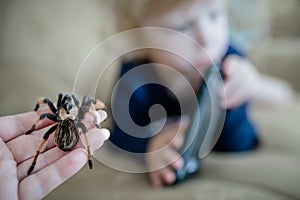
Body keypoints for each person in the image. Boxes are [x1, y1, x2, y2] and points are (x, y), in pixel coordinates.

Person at [109, 0, 293, 188]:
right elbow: (119, 136)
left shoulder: (230, 60)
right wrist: (149, 147)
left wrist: (252, 87)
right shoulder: (132, 80)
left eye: (214, 15)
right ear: (138, 37)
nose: (207, 37)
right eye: (182, 26)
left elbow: (241, 141)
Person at [0, 107, 109, 200]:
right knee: (83, 130)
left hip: (63, 130)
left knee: (46, 132)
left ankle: (34, 161)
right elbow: (85, 116)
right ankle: (88, 155)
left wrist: (35, 123)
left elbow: (45, 113)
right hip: (71, 132)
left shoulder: (60, 114)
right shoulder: (78, 116)